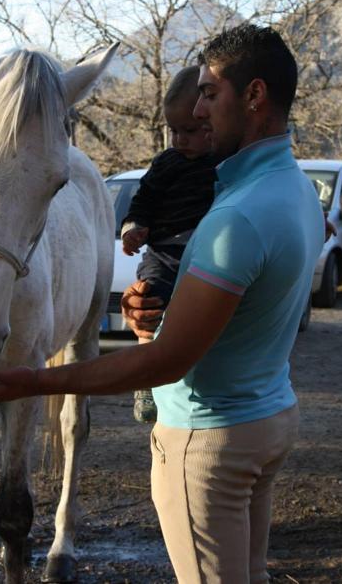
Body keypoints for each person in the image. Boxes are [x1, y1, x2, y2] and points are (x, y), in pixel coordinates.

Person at [0, 24, 320, 583]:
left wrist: (31, 382)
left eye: (209, 93)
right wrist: (159, 315)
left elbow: (164, 364)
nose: (198, 110)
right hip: (269, 418)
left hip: (209, 444)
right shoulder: (296, 190)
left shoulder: (233, 220)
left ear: (254, 97)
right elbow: (242, 314)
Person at [118, 65, 218, 424]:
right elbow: (143, 199)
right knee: (149, 299)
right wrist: (134, 226)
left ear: (212, 123)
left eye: (190, 131)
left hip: (207, 252)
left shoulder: (225, 163)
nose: (180, 140)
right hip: (163, 251)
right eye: (173, 131)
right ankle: (146, 375)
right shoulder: (166, 163)